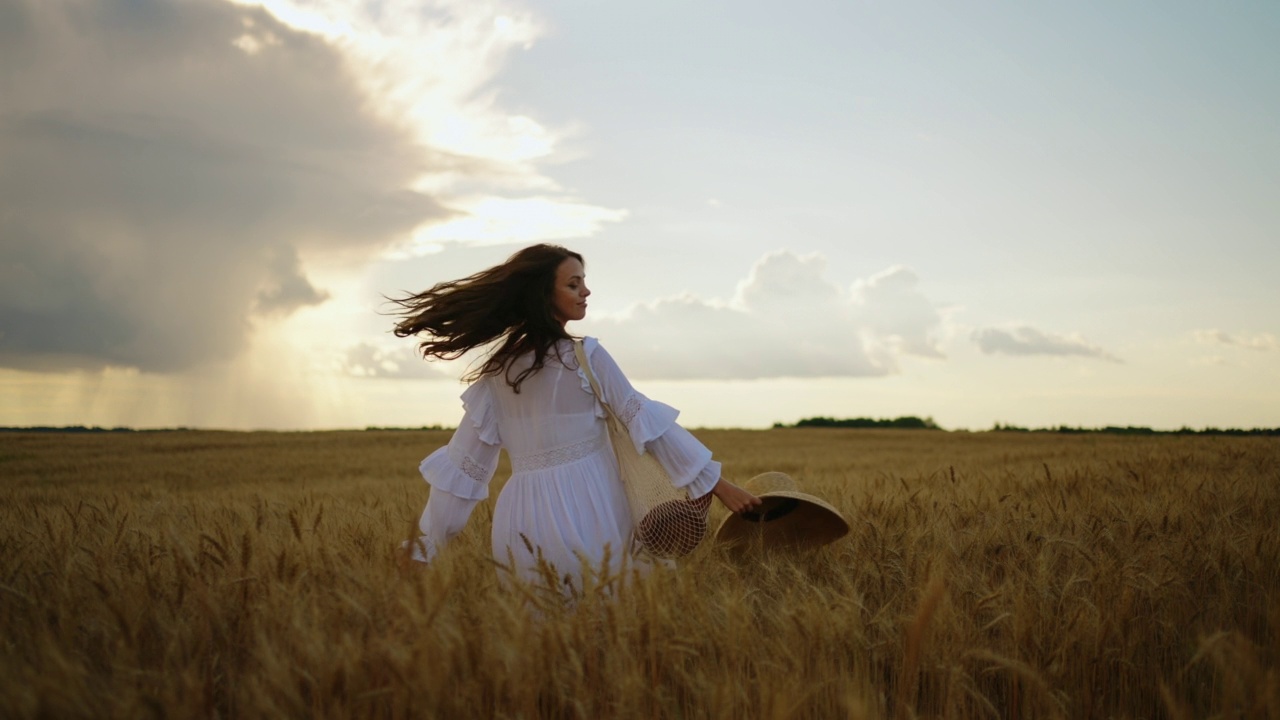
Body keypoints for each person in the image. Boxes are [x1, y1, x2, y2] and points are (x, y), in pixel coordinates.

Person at [391, 244, 761, 588]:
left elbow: (464, 466)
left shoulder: (497, 373)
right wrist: (720, 486)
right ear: (543, 294)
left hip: (521, 517)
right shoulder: (587, 356)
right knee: (602, 620)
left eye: (584, 283)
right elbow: (645, 422)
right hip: (591, 504)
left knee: (541, 632)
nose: (586, 292)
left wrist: (429, 543)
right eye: (573, 284)